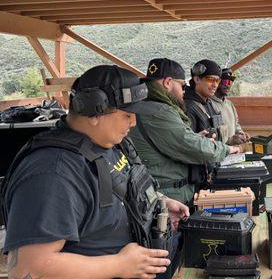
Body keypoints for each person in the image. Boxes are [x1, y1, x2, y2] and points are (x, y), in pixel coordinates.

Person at [1, 65, 190, 279]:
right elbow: (28, 269)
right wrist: (118, 265)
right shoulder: (52, 174)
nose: (134, 123)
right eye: (127, 115)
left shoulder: (110, 143)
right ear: (93, 112)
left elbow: (121, 187)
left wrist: (159, 202)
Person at [128, 58, 241, 206]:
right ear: (167, 82)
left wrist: (196, 137)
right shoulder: (159, 111)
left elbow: (179, 139)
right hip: (168, 195)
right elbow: (190, 146)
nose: (183, 90)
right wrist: (228, 149)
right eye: (181, 85)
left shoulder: (150, 106)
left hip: (168, 192)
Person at [184, 59, 225, 138]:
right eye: (210, 79)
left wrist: (230, 140)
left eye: (217, 80)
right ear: (197, 79)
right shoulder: (187, 107)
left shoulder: (208, 102)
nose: (215, 85)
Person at [211, 68, 250, 145]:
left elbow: (236, 124)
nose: (228, 85)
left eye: (230, 82)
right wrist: (230, 140)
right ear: (217, 83)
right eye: (225, 81)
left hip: (234, 152)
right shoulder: (209, 104)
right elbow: (212, 134)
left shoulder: (229, 104)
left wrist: (241, 134)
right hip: (219, 152)